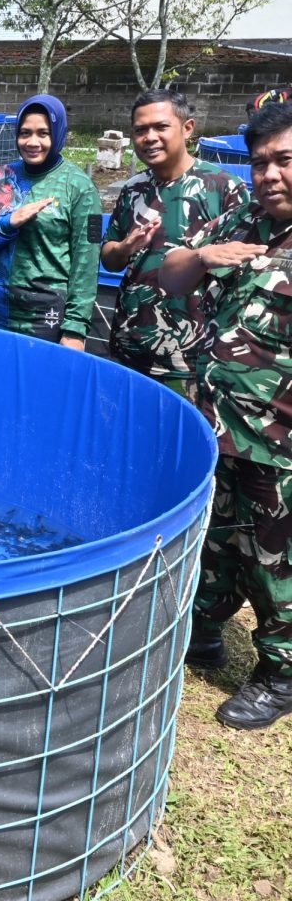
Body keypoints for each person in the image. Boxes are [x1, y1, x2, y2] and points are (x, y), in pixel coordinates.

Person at [159, 101, 292, 730]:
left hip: (282, 441)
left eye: (284, 160)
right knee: (217, 543)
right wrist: (207, 256)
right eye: (262, 162)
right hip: (220, 424)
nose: (270, 175)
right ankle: (204, 631)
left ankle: (281, 672)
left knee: (278, 561)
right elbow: (170, 276)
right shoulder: (245, 217)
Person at [102, 89, 249, 396]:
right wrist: (127, 247)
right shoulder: (133, 189)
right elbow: (109, 258)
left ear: (188, 128)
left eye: (160, 127)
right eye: (140, 130)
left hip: (191, 360)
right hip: (130, 346)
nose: (149, 137)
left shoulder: (224, 188)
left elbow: (241, 273)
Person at [0, 95, 102, 347]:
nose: (32, 142)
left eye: (43, 133)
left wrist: (75, 329)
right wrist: (7, 223)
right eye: (25, 133)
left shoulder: (80, 187)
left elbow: (86, 265)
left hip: (45, 319)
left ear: (58, 134)